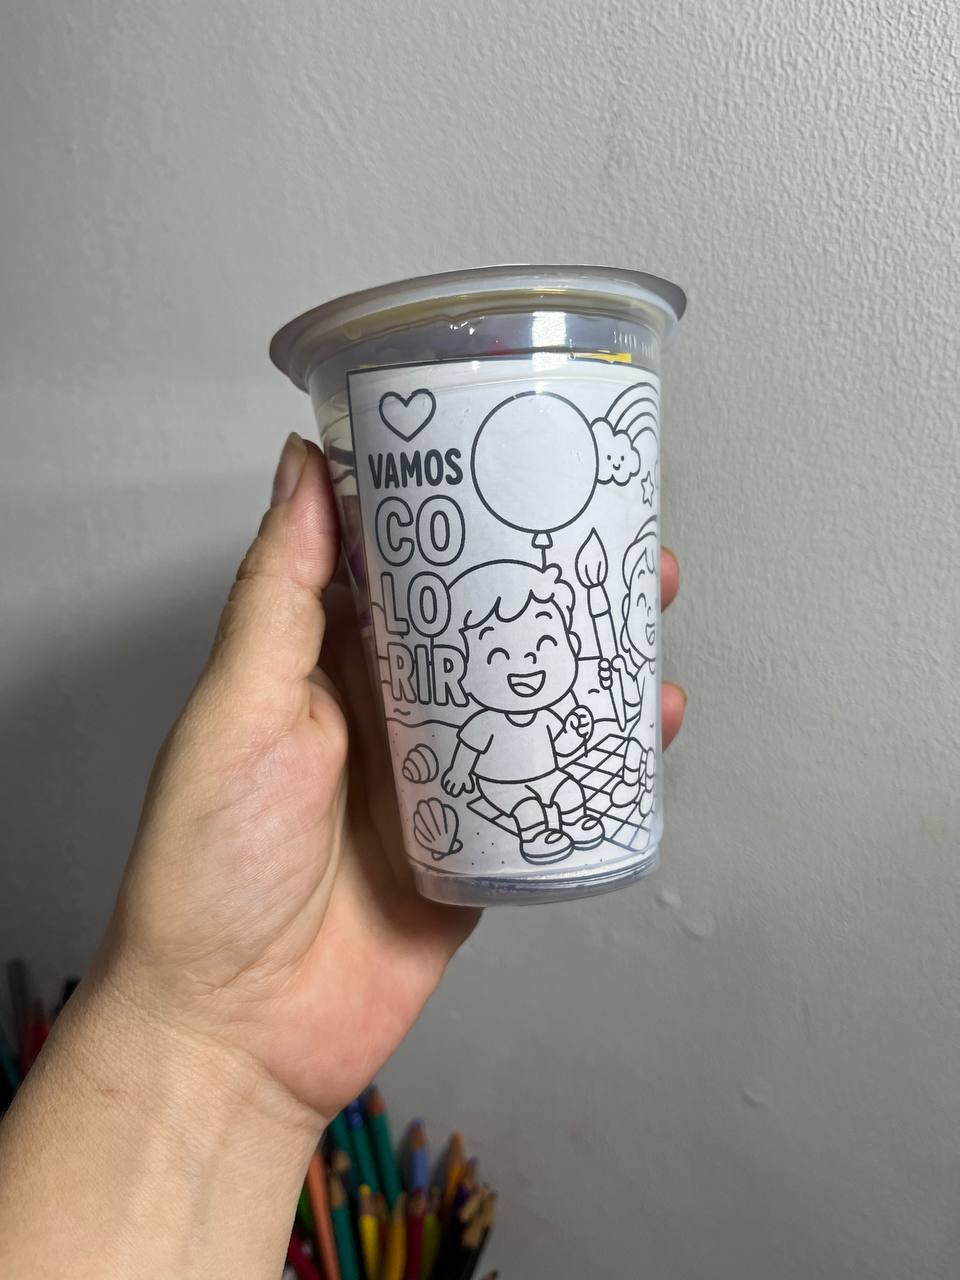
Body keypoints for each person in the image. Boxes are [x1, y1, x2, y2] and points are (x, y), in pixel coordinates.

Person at [0, 433, 686, 1276]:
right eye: (499, 655)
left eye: (542, 650)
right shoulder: (474, 718)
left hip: (532, 804)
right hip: (461, 828)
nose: (523, 668)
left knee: (558, 788)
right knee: (535, 795)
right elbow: (466, 754)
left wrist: (212, 1042)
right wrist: (205, 1027)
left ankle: (548, 811)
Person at [441, 559, 602, 863]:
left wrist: (573, 734)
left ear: (571, 646)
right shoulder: (486, 722)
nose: (526, 662)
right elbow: (468, 748)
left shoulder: (546, 717)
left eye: (545, 644)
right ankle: (535, 836)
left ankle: (576, 821)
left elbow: (560, 748)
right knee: (528, 809)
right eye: (499, 654)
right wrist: (459, 772)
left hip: (547, 774)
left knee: (570, 789)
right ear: (462, 667)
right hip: (500, 784)